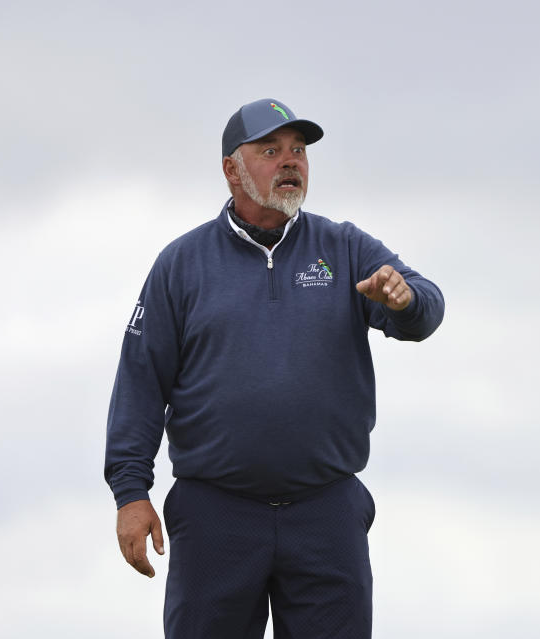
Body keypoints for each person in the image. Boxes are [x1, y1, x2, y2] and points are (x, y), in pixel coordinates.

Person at [104, 97, 444, 638]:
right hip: (215, 513)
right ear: (231, 170)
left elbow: (425, 306)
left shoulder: (344, 247)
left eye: (298, 150)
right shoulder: (182, 264)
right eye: (271, 150)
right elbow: (141, 381)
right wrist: (131, 493)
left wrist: (405, 300)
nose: (291, 162)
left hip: (325, 512)